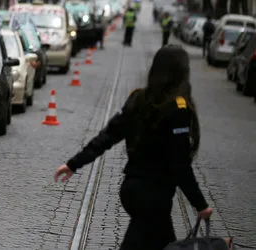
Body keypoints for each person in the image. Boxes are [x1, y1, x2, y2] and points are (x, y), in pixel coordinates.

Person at [54, 45, 213, 250]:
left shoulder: (138, 99)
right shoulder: (177, 109)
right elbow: (180, 165)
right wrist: (200, 204)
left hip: (133, 190)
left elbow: (108, 136)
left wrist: (73, 164)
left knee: (164, 243)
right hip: (153, 198)